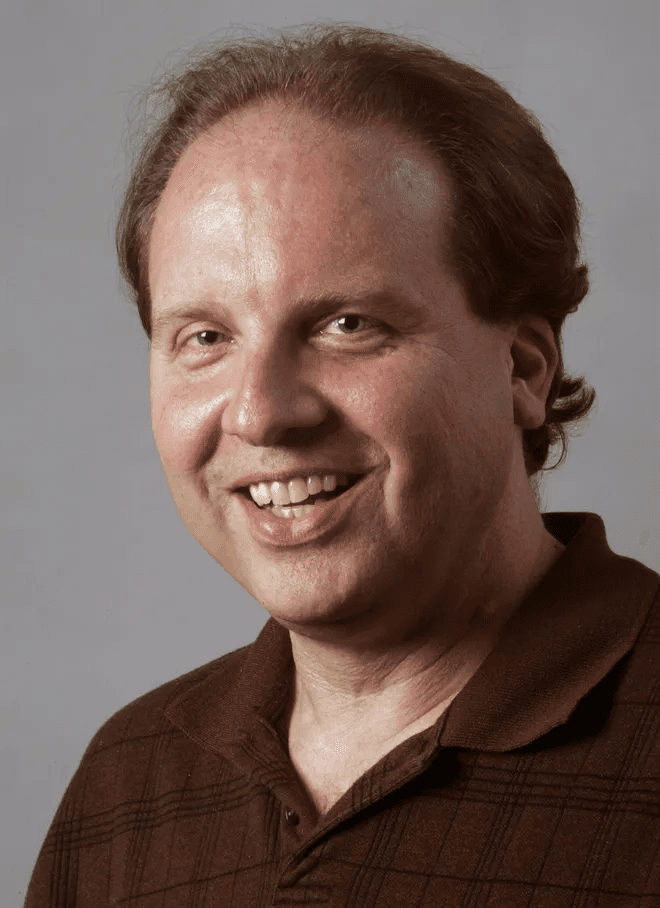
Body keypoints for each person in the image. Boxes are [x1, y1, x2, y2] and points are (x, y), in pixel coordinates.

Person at [25, 24, 659, 907]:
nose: (260, 411)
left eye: (347, 325)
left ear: (522, 369)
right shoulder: (129, 784)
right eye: (205, 338)